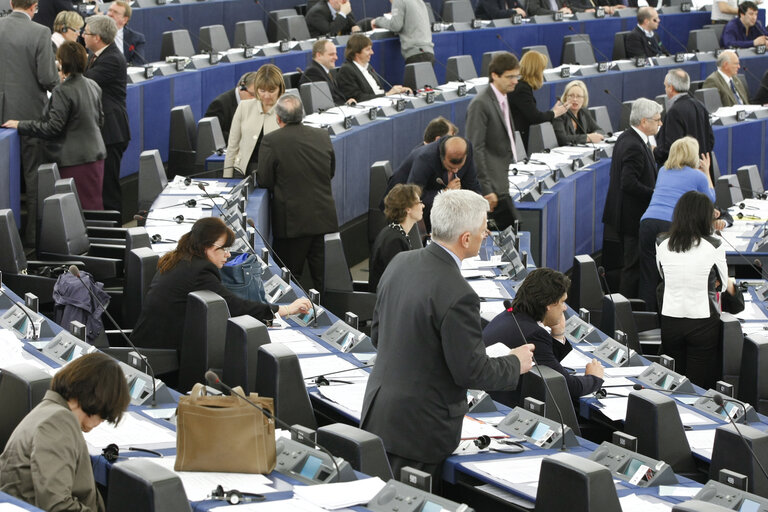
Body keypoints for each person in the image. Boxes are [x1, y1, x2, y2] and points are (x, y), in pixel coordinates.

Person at [360, 189, 535, 482]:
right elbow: (472, 371)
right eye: (483, 230)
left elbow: (378, 335)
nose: (487, 234)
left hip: (380, 416)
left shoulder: (400, 263)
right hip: (420, 432)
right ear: (465, 239)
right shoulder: (460, 294)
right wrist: (514, 363)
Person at [131, 217, 312, 353]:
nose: (227, 255)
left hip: (148, 343)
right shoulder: (200, 270)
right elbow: (233, 306)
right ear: (206, 247)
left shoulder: (181, 258)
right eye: (223, 249)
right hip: (161, 352)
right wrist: (286, 310)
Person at [0, 352, 131, 512]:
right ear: (95, 398)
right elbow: (56, 505)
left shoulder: (49, 410)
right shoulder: (58, 423)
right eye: (105, 415)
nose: (102, 422)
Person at [3, 42, 106, 210]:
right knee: (94, 208)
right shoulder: (93, 85)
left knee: (76, 213)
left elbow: (52, 127)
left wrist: (21, 125)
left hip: (74, 162)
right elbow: (100, 121)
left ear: (62, 61)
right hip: (96, 157)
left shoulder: (62, 90)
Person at [483, 268, 604, 406]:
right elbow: (568, 387)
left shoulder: (508, 316)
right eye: (562, 302)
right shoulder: (533, 334)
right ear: (549, 305)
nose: (564, 308)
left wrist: (557, 334)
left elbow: (546, 366)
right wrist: (594, 377)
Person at [256, 95, 338, 292]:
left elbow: (265, 180)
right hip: (321, 219)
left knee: (291, 280)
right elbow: (331, 172)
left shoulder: (271, 141)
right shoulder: (322, 136)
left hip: (292, 223)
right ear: (302, 114)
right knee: (321, 279)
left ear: (278, 118)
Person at [656, 191, 733, 390]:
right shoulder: (714, 244)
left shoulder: (661, 243)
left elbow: (663, 277)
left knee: (673, 382)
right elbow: (723, 285)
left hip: (670, 321)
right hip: (702, 323)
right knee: (697, 386)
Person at [0, 0, 58, 247]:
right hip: (29, 115)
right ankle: (33, 243)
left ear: (11, 3)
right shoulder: (41, 32)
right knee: (33, 177)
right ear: (34, 6)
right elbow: (47, 78)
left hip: (2, 114)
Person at [639, 137, 715, 311]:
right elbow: (710, 200)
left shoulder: (663, 171)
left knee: (648, 275)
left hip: (647, 223)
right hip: (671, 226)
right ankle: (666, 316)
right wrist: (707, 172)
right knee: (672, 275)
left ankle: (646, 319)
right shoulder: (697, 176)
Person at [602, 98, 662, 298]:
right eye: (657, 120)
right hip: (631, 217)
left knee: (631, 265)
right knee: (632, 266)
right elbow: (628, 182)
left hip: (626, 215)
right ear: (644, 121)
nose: (660, 123)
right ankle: (625, 312)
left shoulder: (628, 138)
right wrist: (655, 194)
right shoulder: (634, 145)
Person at [465, 51, 522, 231]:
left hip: (501, 180)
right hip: (491, 187)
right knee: (513, 231)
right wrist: (486, 188)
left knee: (514, 231)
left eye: (517, 76)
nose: (515, 81)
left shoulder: (503, 98)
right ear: (494, 75)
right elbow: (476, 148)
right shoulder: (481, 103)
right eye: (510, 77)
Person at [83, 15, 130, 212]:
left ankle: (116, 236)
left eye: (86, 33)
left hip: (111, 132)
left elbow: (83, 81)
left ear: (97, 38)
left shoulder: (111, 59)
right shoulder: (98, 56)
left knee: (108, 189)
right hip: (104, 131)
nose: (82, 36)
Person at [406, 135, 483, 230]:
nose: (455, 171)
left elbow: (472, 186)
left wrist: (479, 220)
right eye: (450, 167)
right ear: (442, 157)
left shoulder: (466, 149)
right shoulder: (425, 159)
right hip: (408, 215)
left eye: (459, 167)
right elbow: (411, 197)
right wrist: (444, 193)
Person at [224, 64, 285, 177]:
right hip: (242, 172)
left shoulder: (287, 109)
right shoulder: (244, 107)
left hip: (275, 175)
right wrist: (227, 178)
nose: (266, 96)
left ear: (280, 89)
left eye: (272, 91)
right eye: (262, 90)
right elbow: (232, 147)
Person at [653, 69, 714, 168]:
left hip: (684, 171)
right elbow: (710, 141)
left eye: (665, 86)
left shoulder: (674, 112)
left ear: (671, 88)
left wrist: (654, 151)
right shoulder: (700, 105)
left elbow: (672, 149)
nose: (665, 89)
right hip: (702, 169)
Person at [384, 117, 458, 198]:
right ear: (438, 140)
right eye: (450, 138)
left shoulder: (436, 154)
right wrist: (445, 192)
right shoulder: (423, 158)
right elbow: (415, 196)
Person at [508, 50, 567, 150]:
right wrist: (554, 113)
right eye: (542, 70)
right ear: (536, 70)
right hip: (518, 142)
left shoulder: (523, 86)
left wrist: (552, 112)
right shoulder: (522, 89)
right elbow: (535, 117)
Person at [369, 184, 424, 291]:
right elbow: (400, 282)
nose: (423, 206)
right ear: (408, 209)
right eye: (419, 202)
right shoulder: (394, 241)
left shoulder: (394, 232)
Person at [336, 34, 412, 102]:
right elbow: (357, 97)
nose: (372, 52)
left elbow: (378, 91)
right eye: (368, 49)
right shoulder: (347, 70)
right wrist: (387, 94)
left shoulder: (368, 66)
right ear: (356, 52)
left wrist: (398, 91)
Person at [371, 0, 434, 65]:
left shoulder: (398, 1)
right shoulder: (419, 1)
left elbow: (395, 26)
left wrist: (377, 21)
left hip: (415, 54)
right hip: (428, 52)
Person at [204, 72, 256, 143]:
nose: (256, 99)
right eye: (253, 94)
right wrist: (242, 139)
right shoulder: (219, 104)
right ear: (242, 87)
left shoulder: (257, 102)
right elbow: (211, 134)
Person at [552, 80, 605, 147]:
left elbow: (600, 130)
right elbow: (562, 139)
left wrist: (595, 136)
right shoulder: (558, 113)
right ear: (565, 97)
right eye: (571, 96)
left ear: (584, 99)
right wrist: (587, 138)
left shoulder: (583, 112)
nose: (575, 99)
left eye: (579, 96)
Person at [298, 39, 350, 105]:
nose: (336, 57)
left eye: (335, 54)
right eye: (331, 54)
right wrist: (345, 104)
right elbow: (324, 101)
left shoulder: (325, 71)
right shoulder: (312, 72)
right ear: (319, 55)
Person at [105, 0, 146, 66]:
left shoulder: (136, 38)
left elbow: (138, 63)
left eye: (115, 12)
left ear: (125, 19)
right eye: (109, 10)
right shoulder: (96, 34)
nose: (110, 14)